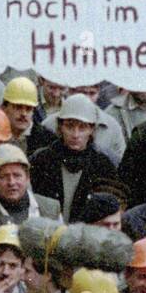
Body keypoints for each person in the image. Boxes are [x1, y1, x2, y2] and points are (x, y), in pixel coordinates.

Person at [29, 93, 119, 221]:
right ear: (60, 127)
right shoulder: (41, 160)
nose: (75, 134)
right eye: (70, 126)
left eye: (82, 127)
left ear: (92, 129)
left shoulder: (104, 166)